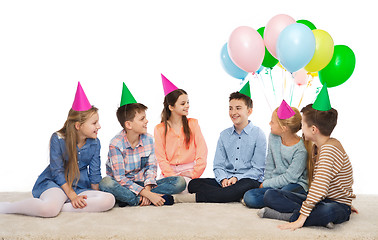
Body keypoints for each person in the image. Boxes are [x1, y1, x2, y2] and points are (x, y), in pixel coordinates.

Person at [0, 82, 115, 217]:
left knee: (108, 200)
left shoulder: (95, 143)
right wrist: (71, 195)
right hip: (57, 184)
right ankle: (8, 207)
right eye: (94, 123)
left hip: (79, 187)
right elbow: (57, 171)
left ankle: (62, 207)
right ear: (78, 126)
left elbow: (94, 173)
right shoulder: (58, 139)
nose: (99, 126)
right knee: (48, 210)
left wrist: (97, 195)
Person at [258, 85, 356, 230]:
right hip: (320, 200)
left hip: (336, 204)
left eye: (303, 124)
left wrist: (300, 220)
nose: (301, 127)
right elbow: (317, 192)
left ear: (313, 129)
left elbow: (320, 187)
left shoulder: (329, 149)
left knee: (328, 211)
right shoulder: (317, 145)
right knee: (270, 195)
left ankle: (290, 217)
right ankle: (316, 218)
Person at [99, 83, 186, 207]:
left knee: (179, 182)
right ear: (128, 125)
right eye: (142, 119)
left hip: (143, 184)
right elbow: (119, 178)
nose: (147, 121)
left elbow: (151, 168)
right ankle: (139, 199)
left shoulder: (149, 139)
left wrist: (148, 190)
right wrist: (146, 194)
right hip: (123, 185)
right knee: (106, 183)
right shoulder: (116, 144)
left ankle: (130, 199)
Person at [187, 81, 267, 203]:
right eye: (230, 108)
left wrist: (236, 178)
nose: (233, 112)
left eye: (238, 108)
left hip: (248, 179)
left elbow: (257, 169)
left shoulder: (258, 134)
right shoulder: (224, 135)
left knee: (229, 192)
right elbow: (218, 165)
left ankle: (214, 196)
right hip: (227, 179)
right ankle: (231, 194)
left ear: (249, 111)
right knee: (193, 184)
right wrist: (223, 179)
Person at [243, 100, 308, 208]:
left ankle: (298, 204)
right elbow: (270, 163)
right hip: (275, 184)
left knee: (280, 193)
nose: (269, 124)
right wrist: (266, 183)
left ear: (284, 128)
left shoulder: (301, 150)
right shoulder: (273, 137)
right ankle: (279, 203)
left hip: (294, 184)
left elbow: (290, 178)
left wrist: (266, 185)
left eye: (272, 122)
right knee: (249, 196)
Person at [154, 74, 208, 186]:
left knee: (185, 187)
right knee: (173, 187)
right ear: (171, 107)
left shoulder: (193, 124)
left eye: (188, 102)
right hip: (168, 174)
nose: (187, 106)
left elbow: (202, 151)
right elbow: (161, 158)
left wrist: (194, 173)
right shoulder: (160, 129)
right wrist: (172, 176)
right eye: (183, 103)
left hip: (189, 172)